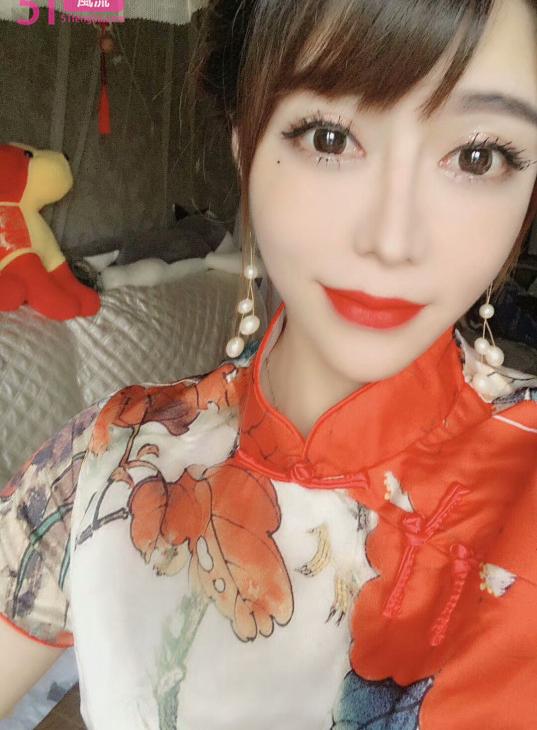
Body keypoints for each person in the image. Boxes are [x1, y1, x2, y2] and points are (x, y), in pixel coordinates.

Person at [1, 0, 537, 727]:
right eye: (329, 136)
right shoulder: (101, 462)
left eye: (477, 156)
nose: (392, 240)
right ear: (243, 143)